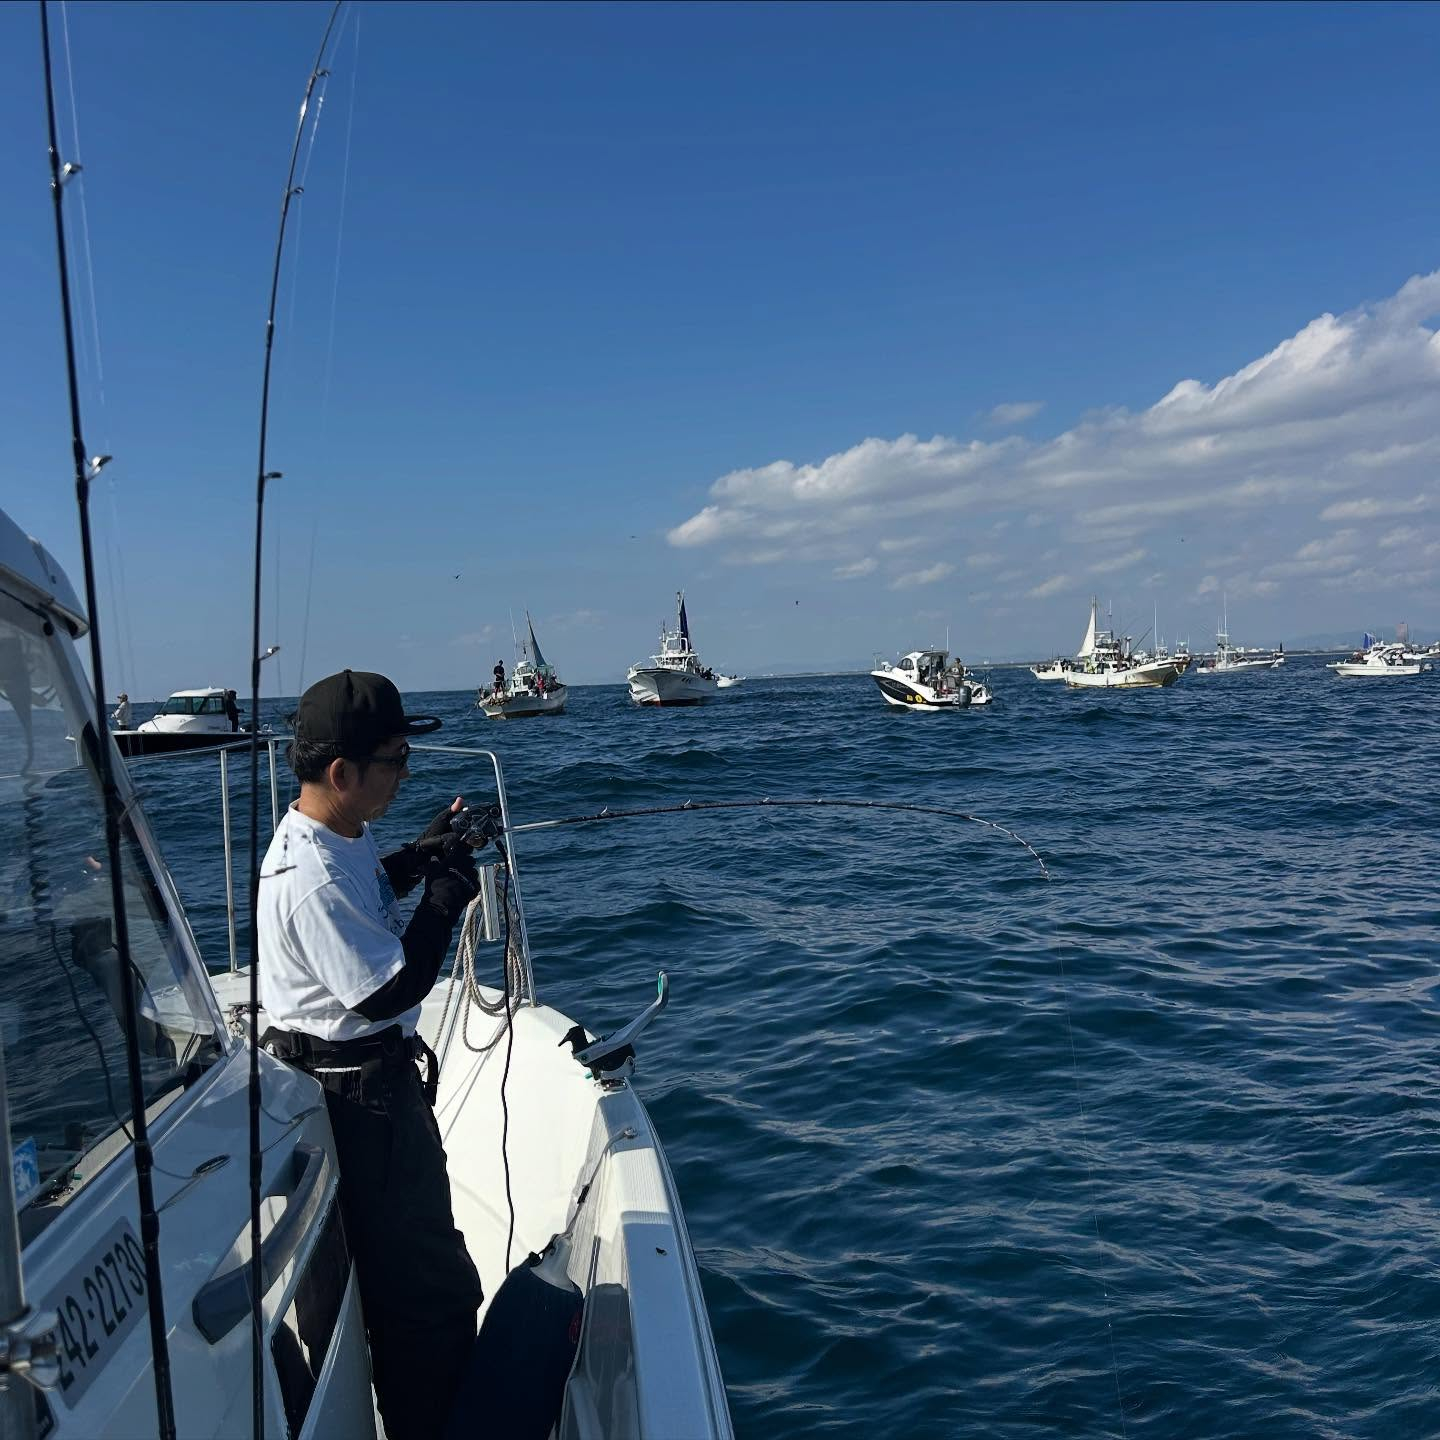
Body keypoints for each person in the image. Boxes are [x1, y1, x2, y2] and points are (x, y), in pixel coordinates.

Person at [256, 669, 484, 1439]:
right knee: (428, 1291)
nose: (405, 773)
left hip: (350, 1093)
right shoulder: (311, 875)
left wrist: (420, 858)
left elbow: (367, 893)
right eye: (394, 760)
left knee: (397, 1282)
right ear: (341, 772)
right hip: (361, 1104)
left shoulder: (336, 834)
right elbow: (383, 993)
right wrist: (446, 901)